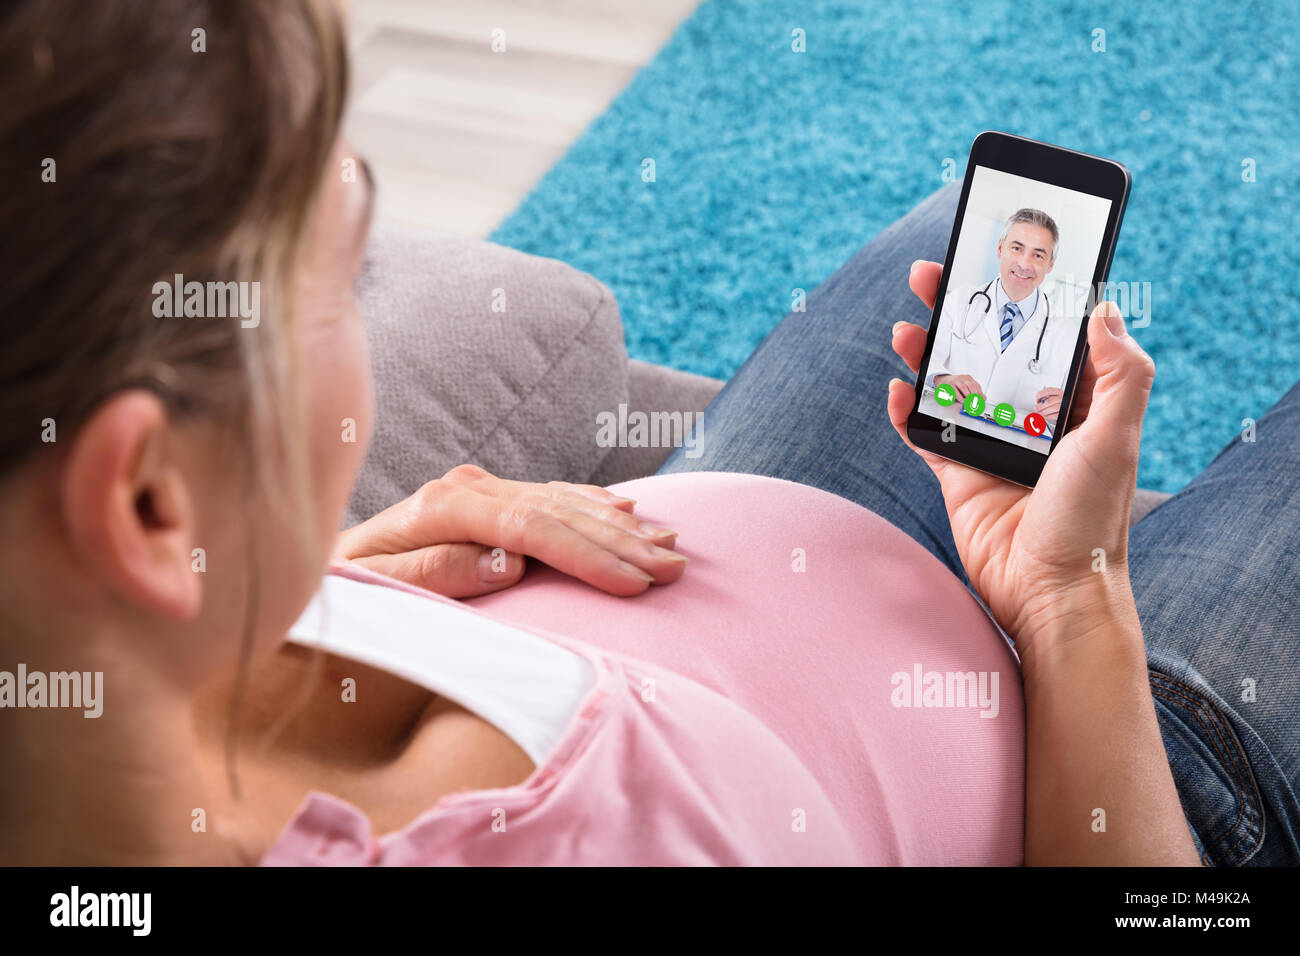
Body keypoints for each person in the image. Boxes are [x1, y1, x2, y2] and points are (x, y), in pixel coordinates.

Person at [2, 0, 1296, 866]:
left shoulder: (95, 647)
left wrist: (363, 559)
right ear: (149, 505)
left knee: (976, 237)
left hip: (729, 552)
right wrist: (1072, 600)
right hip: (1118, 763)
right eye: (346, 275)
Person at [925, 208, 1074, 442]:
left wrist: (1064, 409)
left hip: (1015, 455)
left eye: (1038, 255)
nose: (1024, 264)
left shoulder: (1067, 333)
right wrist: (942, 379)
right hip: (945, 437)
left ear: (1050, 265)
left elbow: (1069, 416)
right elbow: (926, 367)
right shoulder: (958, 301)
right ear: (999, 249)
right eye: (1017, 248)